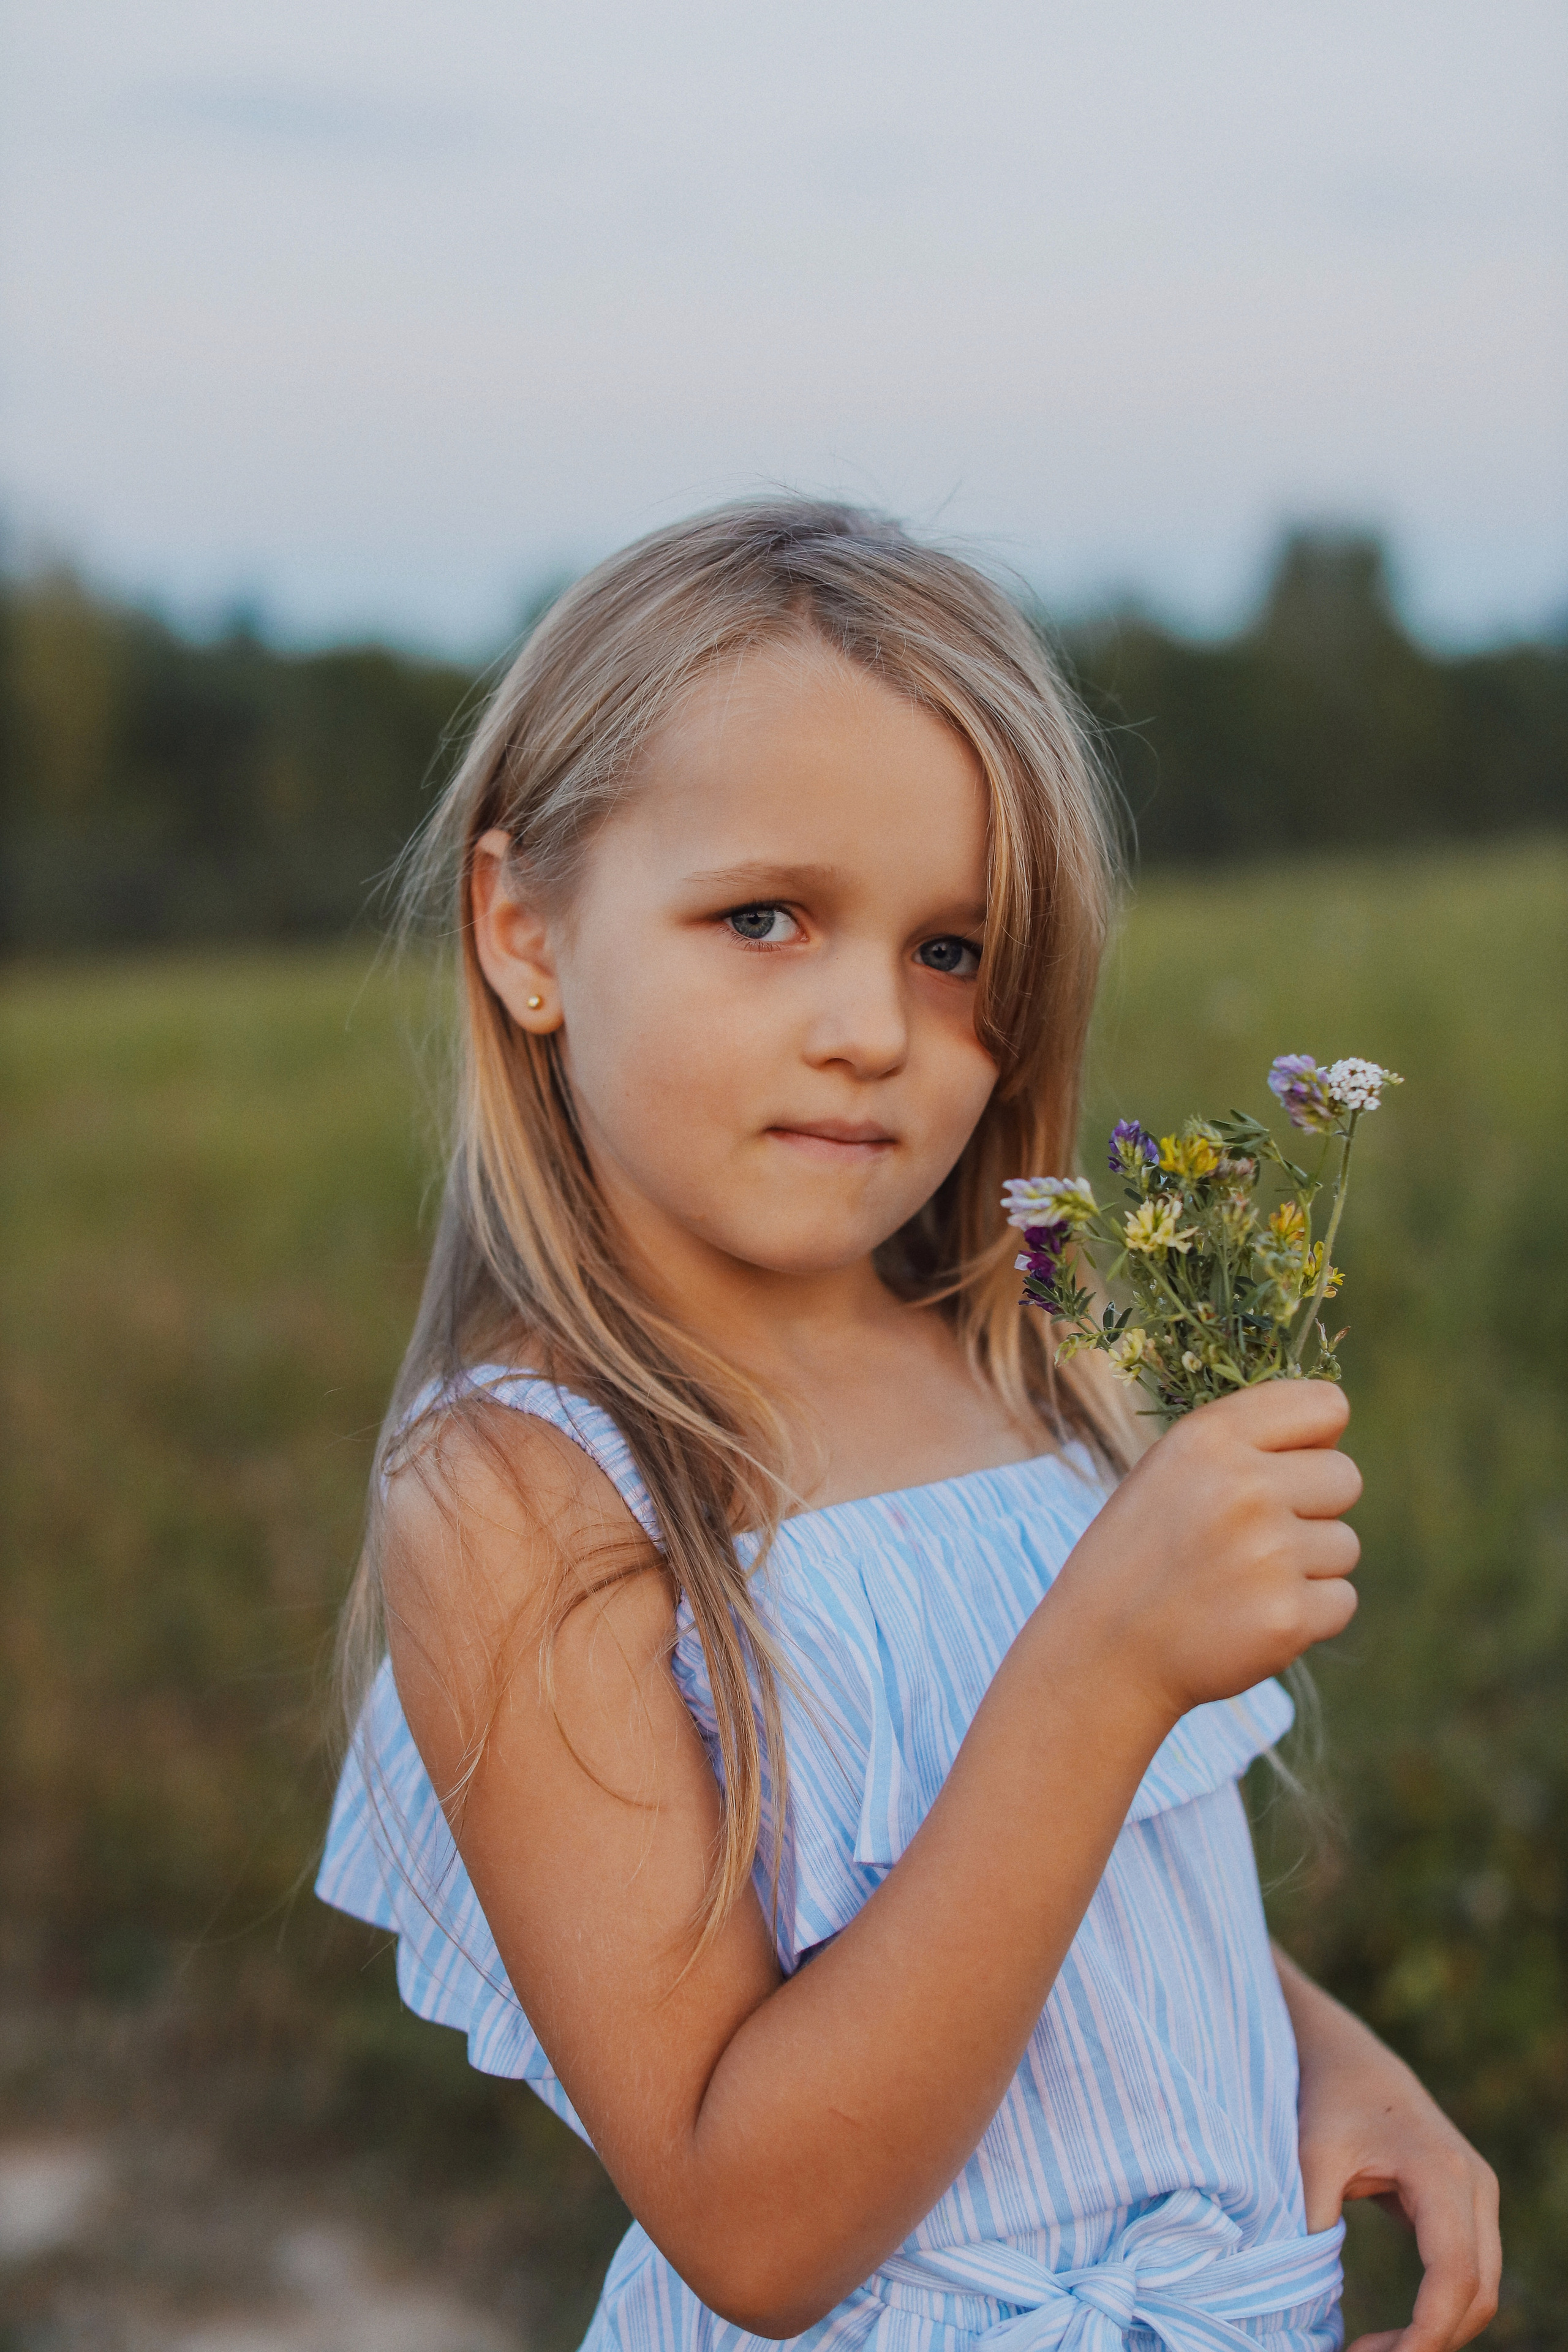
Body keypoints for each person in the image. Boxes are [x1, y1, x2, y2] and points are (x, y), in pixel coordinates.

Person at [317, 500, 1499, 2352]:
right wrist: (1102, 1666)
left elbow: (1095, 1884)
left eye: (954, 951)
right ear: (523, 930)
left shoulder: (1024, 1355)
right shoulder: (530, 1493)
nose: (873, 1025)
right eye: (766, 918)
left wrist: (1319, 2054)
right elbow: (751, 2226)